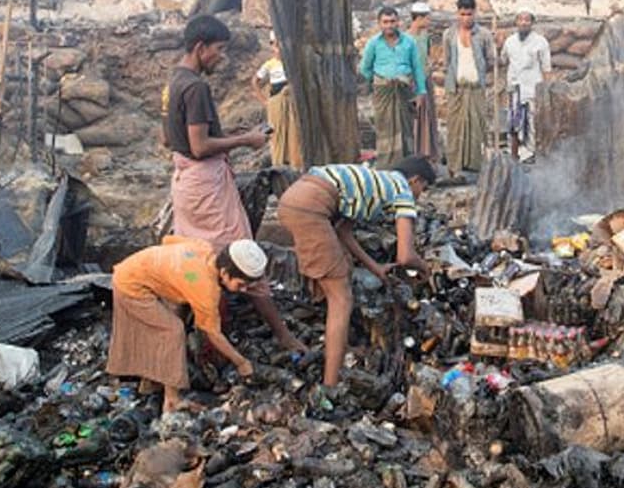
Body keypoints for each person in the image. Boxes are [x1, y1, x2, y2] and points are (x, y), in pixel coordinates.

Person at [276, 157, 435, 391]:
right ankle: (330, 386)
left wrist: (375, 267)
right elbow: (405, 256)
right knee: (341, 298)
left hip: (292, 200)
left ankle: (339, 346)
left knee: (341, 273)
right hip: (312, 208)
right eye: (424, 188)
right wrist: (426, 269)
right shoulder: (403, 192)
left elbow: (343, 231)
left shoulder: (376, 182)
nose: (421, 195)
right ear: (415, 180)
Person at [109, 237, 279, 414]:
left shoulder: (204, 248)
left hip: (136, 269)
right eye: (241, 284)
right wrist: (241, 362)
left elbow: (168, 240)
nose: (243, 290)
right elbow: (213, 334)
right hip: (131, 285)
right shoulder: (205, 289)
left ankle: (153, 381)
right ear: (225, 272)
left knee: (172, 319)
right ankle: (172, 401)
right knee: (173, 332)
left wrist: (167, 274)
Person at [162, 15, 271, 249]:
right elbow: (199, 147)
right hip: (204, 185)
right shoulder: (196, 87)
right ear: (200, 48)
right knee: (229, 253)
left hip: (185, 184)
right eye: (219, 49)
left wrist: (225, 133)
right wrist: (245, 140)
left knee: (194, 254)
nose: (222, 57)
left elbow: (168, 137)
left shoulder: (174, 81)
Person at [360, 7, 427, 168]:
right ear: (379, 24)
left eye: (392, 21)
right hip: (383, 92)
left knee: (406, 129)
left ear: (398, 22)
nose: (389, 25)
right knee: (384, 128)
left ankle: (405, 165)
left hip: (404, 91)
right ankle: (386, 166)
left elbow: (417, 67)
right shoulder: (373, 43)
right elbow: (365, 68)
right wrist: (378, 82)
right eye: (385, 22)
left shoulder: (408, 42)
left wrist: (421, 92)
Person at [442, 0, 496, 175]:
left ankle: (475, 166)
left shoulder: (484, 35)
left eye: (469, 14)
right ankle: (455, 166)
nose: (466, 18)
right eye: (463, 14)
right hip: (456, 88)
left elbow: (490, 60)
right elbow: (447, 61)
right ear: (458, 13)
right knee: (455, 128)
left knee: (477, 127)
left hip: (476, 88)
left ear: (475, 13)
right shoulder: (449, 35)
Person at [500, 11, 551, 161]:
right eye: (520, 20)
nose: (523, 23)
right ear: (516, 22)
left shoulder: (540, 42)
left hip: (533, 88)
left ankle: (532, 152)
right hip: (515, 88)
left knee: (532, 122)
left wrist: (546, 89)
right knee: (514, 123)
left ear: (532, 23)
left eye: (527, 20)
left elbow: (546, 68)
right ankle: (515, 153)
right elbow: (503, 61)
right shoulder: (509, 41)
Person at [253, 33, 304, 167]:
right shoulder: (270, 65)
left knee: (294, 131)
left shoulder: (293, 64)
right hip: (276, 102)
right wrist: (264, 101)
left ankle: (295, 162)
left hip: (292, 102)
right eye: (274, 45)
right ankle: (278, 162)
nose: (277, 49)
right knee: (277, 133)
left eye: (279, 45)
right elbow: (255, 81)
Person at [407, 3, 440, 161]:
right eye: (427, 18)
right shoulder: (406, 39)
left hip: (426, 81)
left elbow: (426, 57)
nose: (429, 21)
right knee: (416, 118)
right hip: (414, 83)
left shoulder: (425, 37)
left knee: (428, 117)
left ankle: (428, 152)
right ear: (419, 18)